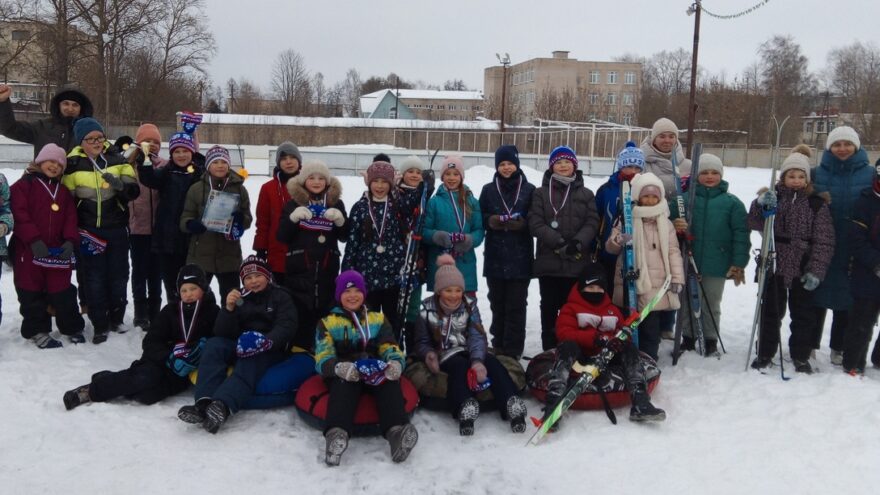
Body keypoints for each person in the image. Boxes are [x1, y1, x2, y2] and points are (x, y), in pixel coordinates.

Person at [62, 265, 219, 409]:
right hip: (160, 362)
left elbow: (219, 340)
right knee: (143, 379)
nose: (189, 294)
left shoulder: (213, 311)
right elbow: (151, 341)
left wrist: (201, 352)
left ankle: (109, 378)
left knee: (146, 396)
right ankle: (90, 391)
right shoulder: (170, 311)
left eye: (193, 288)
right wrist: (169, 357)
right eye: (184, 290)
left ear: (204, 288)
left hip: (184, 373)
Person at [177, 256, 298, 434]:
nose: (253, 281)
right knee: (214, 345)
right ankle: (203, 404)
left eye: (257, 276)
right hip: (241, 343)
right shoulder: (241, 297)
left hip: (270, 348)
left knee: (250, 358)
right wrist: (229, 309)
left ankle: (222, 405)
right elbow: (222, 332)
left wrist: (265, 341)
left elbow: (287, 326)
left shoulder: (280, 296)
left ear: (267, 276)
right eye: (248, 278)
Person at [415, 254, 527, 435]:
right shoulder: (426, 311)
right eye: (448, 290)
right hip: (445, 354)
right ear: (438, 291)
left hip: (470, 349)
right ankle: (465, 405)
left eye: (458, 290)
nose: (454, 295)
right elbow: (421, 341)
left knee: (492, 363)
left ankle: (510, 402)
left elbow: (477, 335)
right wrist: (429, 355)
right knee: (459, 367)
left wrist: (477, 360)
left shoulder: (470, 306)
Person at [315, 270, 418, 466]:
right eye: (347, 292)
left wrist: (395, 362)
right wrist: (338, 367)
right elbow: (323, 355)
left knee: (388, 382)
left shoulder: (378, 319)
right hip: (344, 369)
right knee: (344, 386)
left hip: (373, 368)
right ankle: (336, 435)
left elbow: (389, 344)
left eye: (357, 290)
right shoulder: (327, 323)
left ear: (364, 293)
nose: (352, 295)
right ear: (339, 296)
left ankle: (396, 433)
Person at [748, 146, 834, 374]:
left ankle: (800, 355)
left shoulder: (816, 204)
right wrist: (759, 205)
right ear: (783, 177)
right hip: (774, 261)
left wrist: (816, 270)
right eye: (791, 176)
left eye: (801, 176)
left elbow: (824, 241)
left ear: (807, 178)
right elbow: (755, 223)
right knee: (771, 312)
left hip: (802, 264)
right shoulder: (773, 197)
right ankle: (765, 351)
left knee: (804, 315)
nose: (796, 181)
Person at [546, 263, 666, 424]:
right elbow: (564, 332)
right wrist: (594, 338)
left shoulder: (612, 310)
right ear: (582, 287)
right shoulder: (571, 308)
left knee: (629, 349)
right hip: (579, 357)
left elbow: (621, 332)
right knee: (566, 347)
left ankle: (640, 401)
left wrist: (620, 340)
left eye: (599, 288)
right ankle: (554, 402)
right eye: (591, 287)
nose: (595, 292)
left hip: (606, 358)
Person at [61, 117, 139, 343]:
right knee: (93, 278)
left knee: (119, 275)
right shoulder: (72, 163)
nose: (96, 142)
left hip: (115, 228)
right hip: (88, 230)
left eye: (99, 137)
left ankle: (117, 318)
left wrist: (120, 185)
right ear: (81, 141)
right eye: (90, 139)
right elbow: (67, 200)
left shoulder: (117, 159)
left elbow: (133, 192)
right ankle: (99, 323)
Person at [669, 153, 750, 356]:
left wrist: (739, 262)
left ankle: (710, 337)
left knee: (711, 302)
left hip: (717, 262)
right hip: (688, 260)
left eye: (715, 172)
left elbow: (741, 234)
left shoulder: (732, 203)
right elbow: (667, 223)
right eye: (704, 172)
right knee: (686, 301)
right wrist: (674, 225)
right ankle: (688, 336)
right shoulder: (684, 200)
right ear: (697, 176)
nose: (710, 176)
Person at [9, 143, 83, 348]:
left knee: (63, 290)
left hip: (57, 252)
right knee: (31, 292)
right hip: (28, 251)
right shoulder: (23, 186)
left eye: (59, 165)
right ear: (40, 161)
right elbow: (19, 214)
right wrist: (33, 239)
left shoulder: (64, 192)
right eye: (51, 161)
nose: (55, 167)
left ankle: (71, 326)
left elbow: (70, 218)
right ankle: (37, 330)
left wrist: (69, 240)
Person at [605, 173, 685, 361]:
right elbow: (611, 247)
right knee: (629, 325)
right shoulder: (626, 218)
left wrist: (677, 278)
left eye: (654, 196)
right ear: (637, 197)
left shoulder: (665, 223)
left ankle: (649, 360)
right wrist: (618, 240)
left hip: (657, 287)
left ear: (660, 197)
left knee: (651, 328)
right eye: (645, 196)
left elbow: (673, 251)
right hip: (630, 283)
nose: (650, 200)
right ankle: (629, 360)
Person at [812, 126, 873, 365]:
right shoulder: (817, 173)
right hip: (822, 244)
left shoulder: (869, 175)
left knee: (848, 298)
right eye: (836, 144)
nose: (842, 149)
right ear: (829, 148)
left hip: (855, 247)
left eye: (847, 144)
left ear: (856, 146)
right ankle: (810, 344)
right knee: (816, 295)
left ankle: (839, 346)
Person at [529, 145, 600, 351]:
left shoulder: (586, 194)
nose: (562, 166)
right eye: (558, 162)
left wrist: (578, 242)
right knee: (549, 307)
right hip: (549, 261)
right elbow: (536, 223)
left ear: (574, 166)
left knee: (573, 308)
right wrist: (559, 243)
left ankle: (572, 347)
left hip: (577, 261)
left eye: (567, 162)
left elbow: (592, 221)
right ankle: (549, 349)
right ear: (551, 167)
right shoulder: (541, 193)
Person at [276, 159, 347, 351]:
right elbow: (282, 236)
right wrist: (292, 219)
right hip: (299, 273)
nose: (316, 182)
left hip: (327, 271)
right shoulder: (294, 204)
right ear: (303, 181)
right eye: (311, 177)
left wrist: (341, 221)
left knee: (323, 320)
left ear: (327, 181)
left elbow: (345, 236)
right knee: (300, 319)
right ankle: (299, 355)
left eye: (321, 178)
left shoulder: (336, 203)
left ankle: (324, 356)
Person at [342, 160, 413, 335]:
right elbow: (352, 242)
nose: (379, 186)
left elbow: (408, 230)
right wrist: (347, 271)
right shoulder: (359, 208)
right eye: (375, 181)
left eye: (384, 182)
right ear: (369, 182)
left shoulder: (398, 207)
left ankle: (394, 352)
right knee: (368, 319)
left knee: (393, 320)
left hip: (393, 275)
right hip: (367, 276)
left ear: (391, 184)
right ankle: (370, 352)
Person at [478, 145, 535, 358]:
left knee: (516, 306)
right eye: (502, 164)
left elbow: (536, 219)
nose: (506, 168)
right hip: (495, 258)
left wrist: (524, 224)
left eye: (510, 163)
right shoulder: (488, 189)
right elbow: (479, 217)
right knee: (497, 303)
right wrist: (490, 220)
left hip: (520, 259)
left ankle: (513, 351)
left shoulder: (529, 190)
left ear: (517, 164)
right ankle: (498, 344)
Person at [640, 118, 692, 340]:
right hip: (650, 223)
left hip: (677, 227)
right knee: (653, 271)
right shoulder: (642, 161)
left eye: (671, 136)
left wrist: (685, 219)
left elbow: (691, 195)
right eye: (662, 135)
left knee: (672, 270)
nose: (667, 140)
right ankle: (649, 320)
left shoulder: (685, 164)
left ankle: (667, 323)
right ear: (653, 138)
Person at [138, 131, 205, 302]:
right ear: (171, 154)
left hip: (192, 237)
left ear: (192, 152)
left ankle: (195, 315)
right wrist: (145, 159)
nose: (181, 155)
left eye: (185, 151)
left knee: (194, 281)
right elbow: (149, 179)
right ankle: (175, 317)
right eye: (177, 151)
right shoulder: (166, 172)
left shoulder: (200, 173)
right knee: (172, 283)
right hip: (167, 238)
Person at [179, 145, 252, 299]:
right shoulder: (196, 189)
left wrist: (240, 220)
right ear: (208, 166)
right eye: (215, 162)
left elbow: (248, 219)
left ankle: (230, 323)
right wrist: (191, 224)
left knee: (231, 299)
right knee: (198, 298)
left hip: (229, 255)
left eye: (224, 162)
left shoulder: (239, 189)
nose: (220, 165)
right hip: (201, 254)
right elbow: (185, 218)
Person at [423, 155, 484, 301]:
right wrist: (436, 236)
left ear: (461, 177)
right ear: (442, 177)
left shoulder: (471, 201)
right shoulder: (434, 202)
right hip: (441, 263)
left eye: (456, 174)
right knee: (441, 307)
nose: (452, 178)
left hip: (465, 262)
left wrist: (469, 240)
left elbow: (479, 230)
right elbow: (423, 231)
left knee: (467, 308)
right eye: (447, 174)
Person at [593, 142, 646, 295]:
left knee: (632, 293)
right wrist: (594, 245)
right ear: (621, 166)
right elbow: (597, 217)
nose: (633, 171)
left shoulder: (646, 188)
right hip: (609, 251)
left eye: (637, 168)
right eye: (629, 167)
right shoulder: (607, 189)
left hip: (637, 252)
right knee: (611, 291)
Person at [842, 159, 880, 374]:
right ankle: (853, 363)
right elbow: (856, 237)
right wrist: (875, 262)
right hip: (867, 272)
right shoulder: (865, 200)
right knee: (862, 321)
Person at [395, 155, 434, 352]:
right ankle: (394, 343)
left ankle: (412, 347)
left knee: (413, 307)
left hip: (417, 259)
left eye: (418, 172)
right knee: (396, 304)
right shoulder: (395, 194)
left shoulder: (426, 195)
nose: (414, 175)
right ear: (403, 174)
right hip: (397, 258)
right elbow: (402, 210)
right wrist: (420, 192)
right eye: (410, 171)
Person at [127, 124, 164, 329]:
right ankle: (140, 312)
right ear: (139, 142)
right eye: (149, 141)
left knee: (156, 272)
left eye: (157, 142)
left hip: (158, 229)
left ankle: (154, 310)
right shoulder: (128, 165)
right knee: (139, 271)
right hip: (137, 228)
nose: (153, 145)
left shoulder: (163, 166)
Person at [0, 84, 93, 156]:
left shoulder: (90, 131)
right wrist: (3, 102)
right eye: (66, 103)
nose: (70, 108)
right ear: (59, 105)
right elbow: (9, 128)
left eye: (75, 105)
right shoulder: (41, 127)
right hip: (44, 180)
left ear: (82, 108)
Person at [255, 141, 302, 283]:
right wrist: (260, 249)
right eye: (283, 159)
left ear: (299, 161)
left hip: (304, 256)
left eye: (292, 157)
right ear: (278, 163)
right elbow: (263, 222)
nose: (288, 162)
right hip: (277, 256)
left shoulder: (309, 185)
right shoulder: (268, 188)